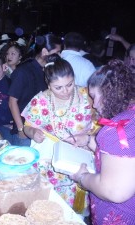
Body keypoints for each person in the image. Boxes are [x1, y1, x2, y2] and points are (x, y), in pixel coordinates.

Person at [21, 55, 94, 212]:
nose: (65, 91)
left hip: (78, 163)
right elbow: (26, 127)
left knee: (72, 214)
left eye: (69, 84)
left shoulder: (87, 96)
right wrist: (33, 132)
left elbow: (102, 125)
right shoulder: (41, 100)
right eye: (58, 87)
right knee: (48, 210)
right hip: (49, 166)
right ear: (48, 84)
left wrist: (89, 140)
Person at [69, 59, 135, 224]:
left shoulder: (117, 129)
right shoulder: (130, 116)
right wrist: (88, 140)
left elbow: (115, 191)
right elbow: (122, 158)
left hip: (120, 216)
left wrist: (83, 178)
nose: (94, 105)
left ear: (109, 93)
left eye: (94, 97)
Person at [8, 34, 62, 146]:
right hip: (25, 131)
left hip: (43, 131)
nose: (59, 55)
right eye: (57, 52)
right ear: (44, 52)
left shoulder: (49, 70)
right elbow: (12, 101)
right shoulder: (23, 71)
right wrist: (20, 129)